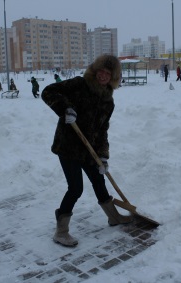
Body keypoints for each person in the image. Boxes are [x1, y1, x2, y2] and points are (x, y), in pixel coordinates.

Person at [41, 55, 132, 247]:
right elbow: (48, 92)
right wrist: (65, 109)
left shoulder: (108, 101)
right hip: (68, 146)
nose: (103, 76)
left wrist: (103, 157)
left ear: (113, 77)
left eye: (108, 73)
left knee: (99, 181)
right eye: (101, 71)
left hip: (89, 149)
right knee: (76, 188)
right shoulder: (79, 84)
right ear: (95, 70)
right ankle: (61, 230)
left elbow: (102, 130)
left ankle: (113, 217)